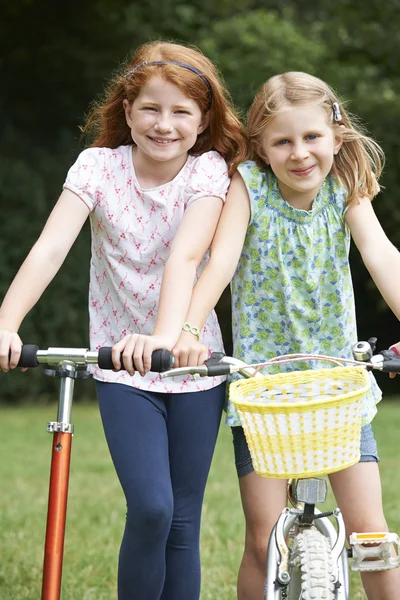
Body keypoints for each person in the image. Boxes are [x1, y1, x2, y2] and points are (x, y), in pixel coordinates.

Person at [0, 41, 248, 600]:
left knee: (183, 522)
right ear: (127, 110)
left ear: (204, 119)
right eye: (151, 109)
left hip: (190, 360)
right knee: (153, 508)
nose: (164, 125)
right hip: (121, 366)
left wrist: (167, 337)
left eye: (181, 111)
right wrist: (7, 321)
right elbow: (49, 248)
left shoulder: (208, 173)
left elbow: (187, 255)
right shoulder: (97, 167)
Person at [172, 71, 400, 599]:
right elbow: (221, 263)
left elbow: (382, 255)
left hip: (338, 387)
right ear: (262, 149)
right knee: (263, 540)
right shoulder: (247, 187)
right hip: (262, 390)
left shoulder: (345, 190)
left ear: (335, 138)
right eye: (282, 141)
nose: (300, 153)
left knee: (372, 534)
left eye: (312, 137)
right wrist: (188, 328)